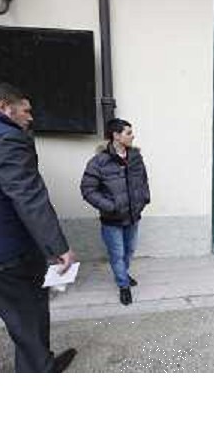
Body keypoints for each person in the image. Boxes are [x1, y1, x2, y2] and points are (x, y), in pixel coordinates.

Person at [0, 81, 77, 373]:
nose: (30, 117)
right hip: (1, 258)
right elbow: (28, 196)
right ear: (4, 107)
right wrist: (58, 247)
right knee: (27, 323)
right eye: (25, 110)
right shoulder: (5, 137)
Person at [80, 118, 150, 306]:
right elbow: (88, 190)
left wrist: (144, 199)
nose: (132, 135)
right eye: (128, 132)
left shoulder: (135, 157)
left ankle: (123, 274)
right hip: (112, 220)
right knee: (117, 253)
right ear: (116, 135)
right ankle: (123, 286)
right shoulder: (99, 162)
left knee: (130, 250)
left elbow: (143, 181)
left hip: (133, 216)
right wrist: (110, 206)